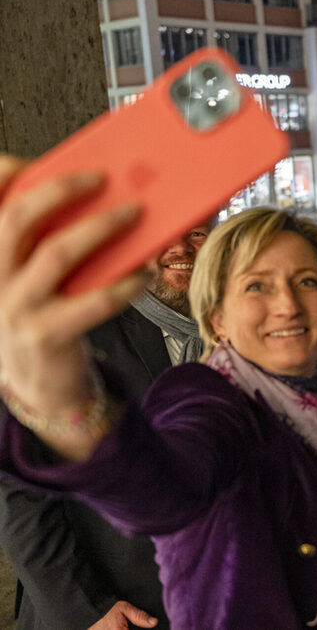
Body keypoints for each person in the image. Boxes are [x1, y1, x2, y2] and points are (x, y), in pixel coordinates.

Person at [0, 164, 317, 629]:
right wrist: (69, 407)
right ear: (217, 318)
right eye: (257, 285)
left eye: (307, 281)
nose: (287, 303)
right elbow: (165, 487)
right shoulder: (209, 394)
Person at [0, 223, 209, 629]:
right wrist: (86, 611)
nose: (180, 246)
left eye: (198, 232)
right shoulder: (75, 333)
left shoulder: (236, 333)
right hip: (109, 614)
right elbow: (19, 490)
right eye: (165, 230)